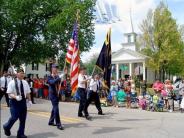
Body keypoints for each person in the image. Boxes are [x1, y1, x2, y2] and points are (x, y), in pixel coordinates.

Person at [3, 68, 32, 138]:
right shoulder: (12, 82)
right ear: (17, 74)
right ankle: (6, 126)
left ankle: (20, 134)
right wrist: (15, 97)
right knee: (14, 117)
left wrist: (29, 100)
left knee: (23, 119)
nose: (22, 74)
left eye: (23, 73)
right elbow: (9, 93)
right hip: (14, 102)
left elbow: (28, 92)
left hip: (23, 102)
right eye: (20, 73)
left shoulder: (25, 82)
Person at [47, 64, 64, 130]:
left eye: (57, 68)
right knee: (56, 109)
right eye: (55, 68)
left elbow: (61, 84)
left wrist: (61, 80)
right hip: (52, 95)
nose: (56, 69)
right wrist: (59, 78)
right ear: (52, 69)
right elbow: (52, 82)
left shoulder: (57, 76)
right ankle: (58, 124)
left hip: (57, 94)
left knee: (54, 108)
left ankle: (51, 121)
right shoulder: (49, 77)